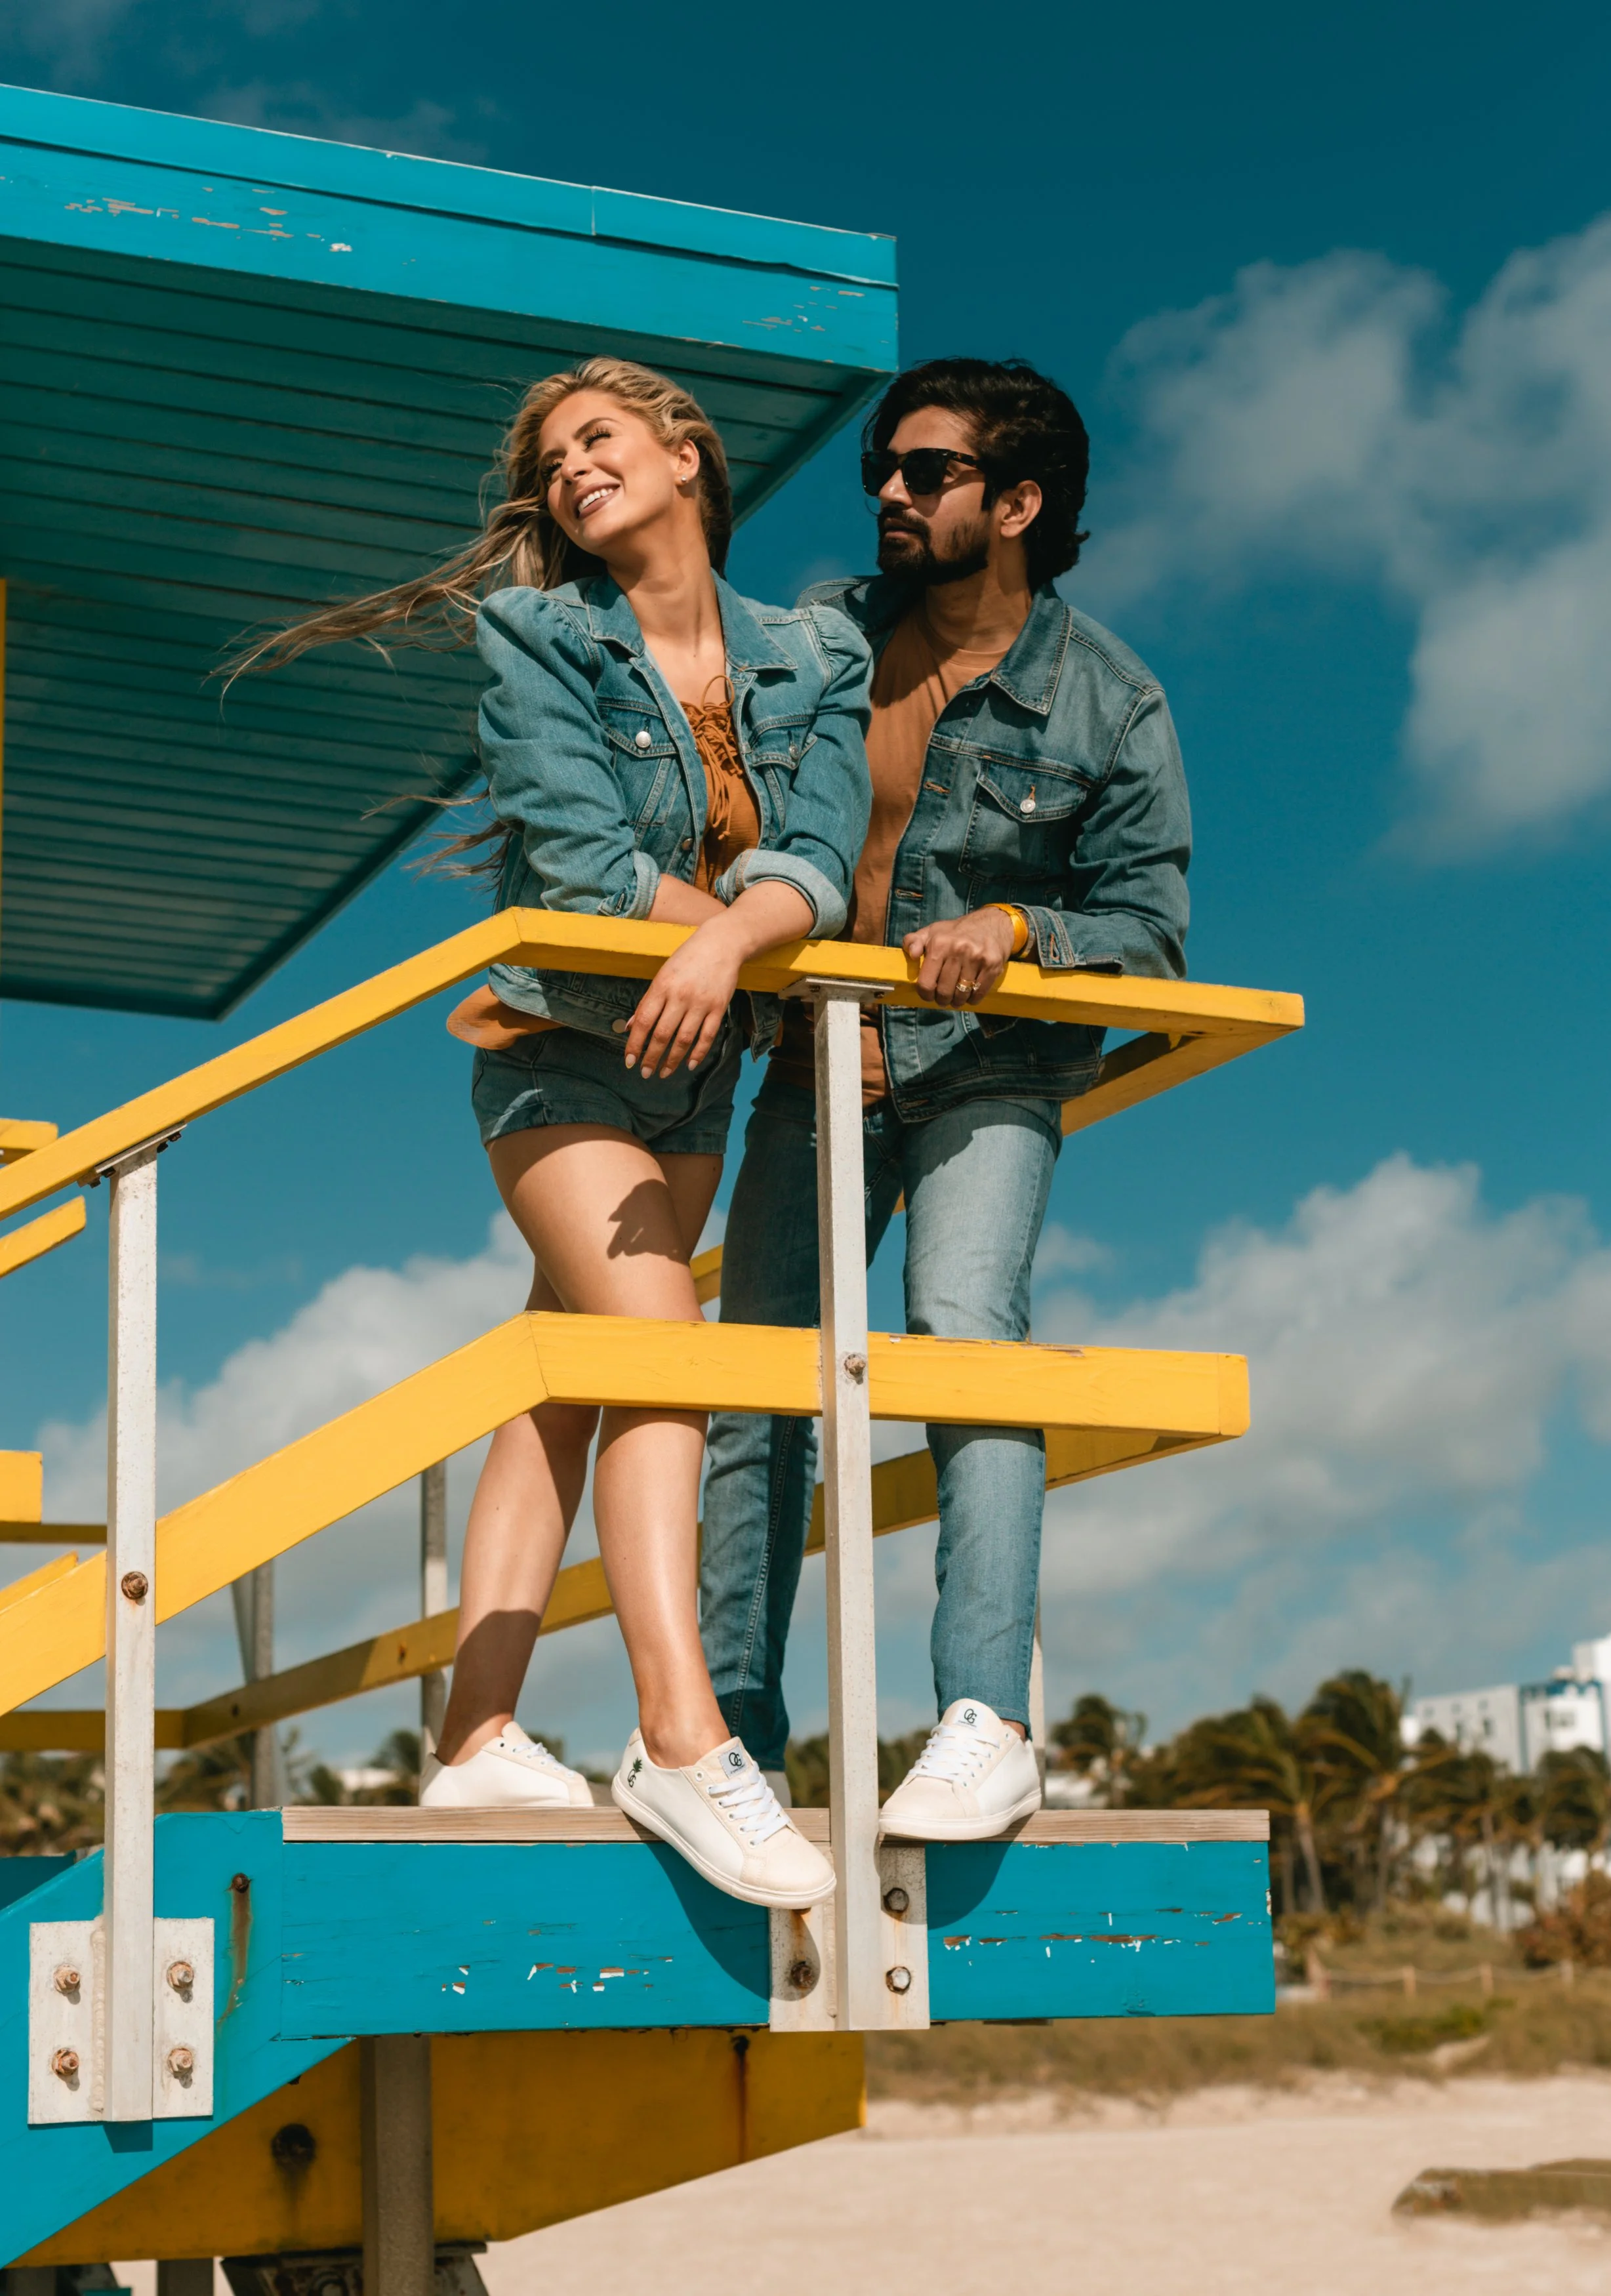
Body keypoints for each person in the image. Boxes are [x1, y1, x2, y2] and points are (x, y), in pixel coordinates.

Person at [253, 356, 870, 1908]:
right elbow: (586, 864)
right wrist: (731, 942)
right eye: (551, 462)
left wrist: (725, 951)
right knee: (664, 1353)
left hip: (695, 1066)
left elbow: (819, 854)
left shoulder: (814, 652)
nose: (572, 469)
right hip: (559, 1056)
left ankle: (475, 1734)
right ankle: (679, 1736)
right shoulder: (539, 633)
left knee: (571, 1382)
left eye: (598, 438)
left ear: (684, 453)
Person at [699, 358, 1191, 1841]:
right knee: (757, 1390)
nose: (890, 494)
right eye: (883, 471)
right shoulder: (823, 636)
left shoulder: (1109, 699)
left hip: (987, 1066)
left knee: (966, 1340)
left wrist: (1021, 927)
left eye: (927, 472)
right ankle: (730, 1736)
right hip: (811, 1065)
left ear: (1018, 502)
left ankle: (985, 1719)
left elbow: (1151, 931)